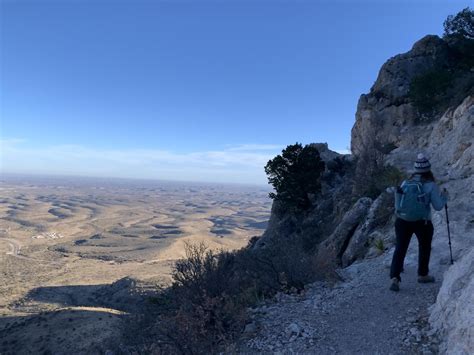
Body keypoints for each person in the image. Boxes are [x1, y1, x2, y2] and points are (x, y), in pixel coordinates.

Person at [389, 153, 448, 292]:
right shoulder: (431, 185)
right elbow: (438, 206)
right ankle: (422, 275)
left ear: (415, 170)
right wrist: (445, 197)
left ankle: (395, 278)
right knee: (424, 247)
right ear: (428, 169)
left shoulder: (405, 183)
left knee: (400, 248)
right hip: (423, 222)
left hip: (402, 220)